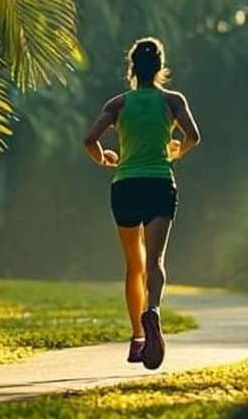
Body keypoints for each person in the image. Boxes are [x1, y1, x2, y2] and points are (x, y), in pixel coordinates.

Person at [82, 37, 201, 370]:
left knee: (134, 265)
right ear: (160, 67)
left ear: (132, 68)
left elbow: (89, 139)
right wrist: (177, 152)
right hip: (159, 183)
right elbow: (193, 136)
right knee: (155, 262)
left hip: (126, 186)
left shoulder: (117, 104)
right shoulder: (173, 101)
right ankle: (154, 310)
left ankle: (137, 338)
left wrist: (104, 159)